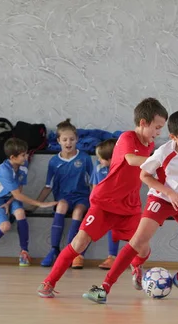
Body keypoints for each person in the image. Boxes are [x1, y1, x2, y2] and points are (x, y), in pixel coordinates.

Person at [83, 110, 178, 304]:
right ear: (174, 137)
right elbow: (144, 176)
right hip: (161, 199)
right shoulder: (163, 152)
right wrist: (169, 193)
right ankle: (104, 288)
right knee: (137, 241)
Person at [37, 97, 168, 298]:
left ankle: (136, 268)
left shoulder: (150, 146)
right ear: (143, 123)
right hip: (105, 202)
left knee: (143, 249)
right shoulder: (127, 138)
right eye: (157, 127)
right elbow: (132, 160)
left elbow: (145, 173)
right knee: (79, 243)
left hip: (130, 206)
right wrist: (160, 160)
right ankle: (49, 283)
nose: (159, 133)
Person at [0, 138, 57, 266]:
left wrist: (9, 203)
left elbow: (18, 189)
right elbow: (18, 194)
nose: (26, 157)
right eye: (23, 155)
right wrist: (40, 204)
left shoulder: (23, 166)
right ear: (13, 157)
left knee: (20, 213)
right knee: (5, 226)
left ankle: (24, 252)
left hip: (10, 198)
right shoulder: (4, 171)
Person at [36, 119, 93, 269]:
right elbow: (48, 186)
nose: (69, 142)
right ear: (58, 141)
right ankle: (54, 250)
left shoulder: (85, 158)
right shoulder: (54, 162)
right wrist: (36, 204)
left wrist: (95, 203)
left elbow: (93, 183)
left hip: (81, 197)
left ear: (77, 140)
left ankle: (70, 252)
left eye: (72, 139)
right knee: (61, 207)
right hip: (63, 198)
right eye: (65, 139)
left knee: (79, 211)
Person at [90, 138, 119, 270]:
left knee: (114, 225)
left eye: (101, 158)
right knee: (88, 226)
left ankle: (112, 257)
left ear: (110, 159)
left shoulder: (121, 169)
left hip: (117, 205)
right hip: (100, 203)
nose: (99, 161)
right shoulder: (98, 166)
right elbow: (95, 187)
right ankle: (78, 255)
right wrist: (92, 204)